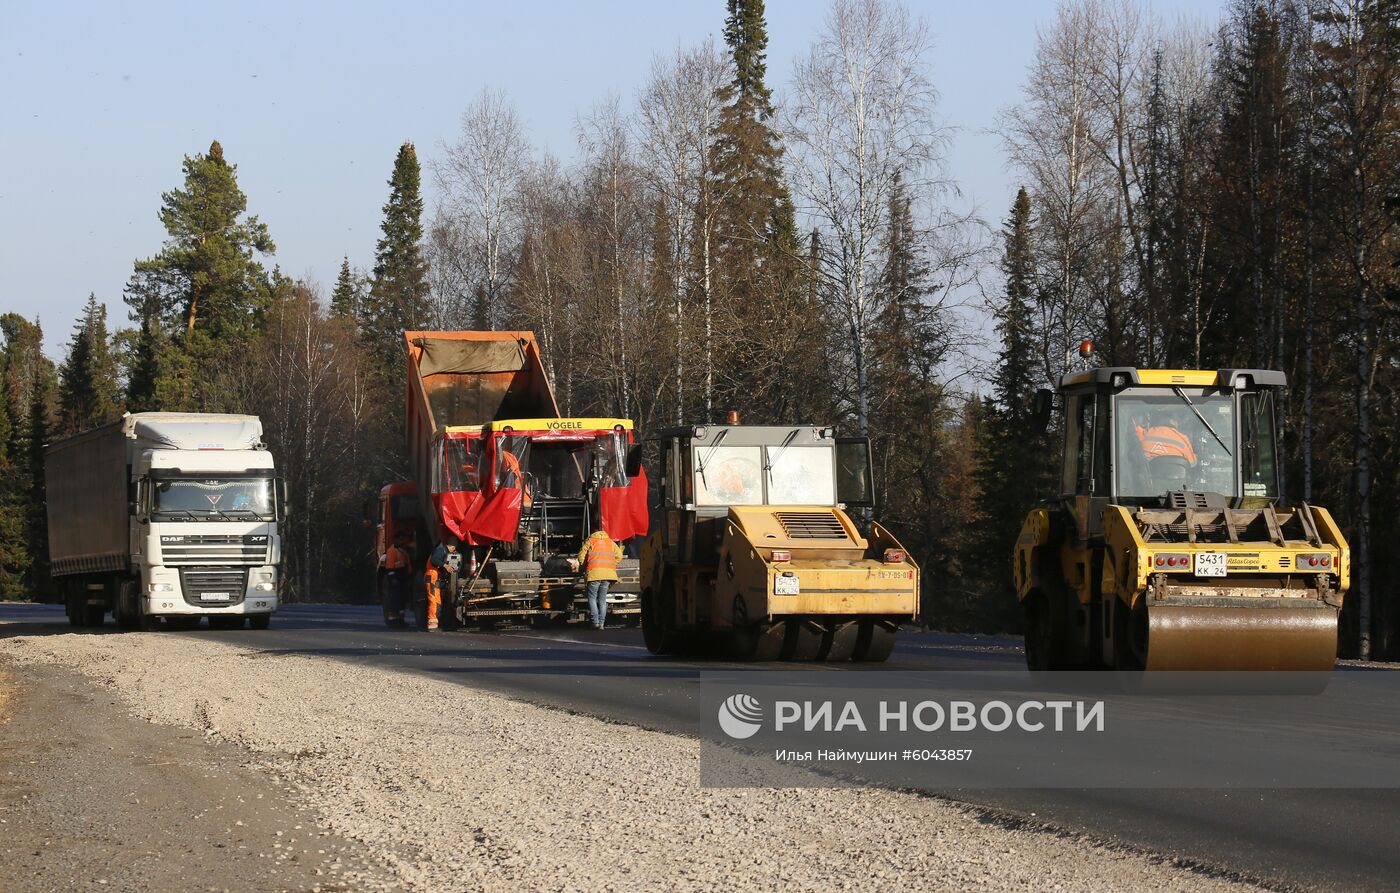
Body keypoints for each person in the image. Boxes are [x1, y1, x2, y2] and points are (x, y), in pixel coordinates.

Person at [1134, 409, 1197, 493]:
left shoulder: (1143, 434)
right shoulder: (1183, 439)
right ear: (1173, 420)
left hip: (1147, 489)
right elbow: (1193, 463)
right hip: (1177, 490)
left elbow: (1133, 432)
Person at [575, 528, 623, 630]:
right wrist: (612, 564)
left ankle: (595, 622)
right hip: (608, 575)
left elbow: (581, 555)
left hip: (594, 574)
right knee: (602, 599)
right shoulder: (610, 542)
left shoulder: (591, 541)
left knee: (592, 598)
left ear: (593, 533)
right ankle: (601, 624)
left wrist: (583, 565)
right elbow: (619, 555)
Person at [422, 541, 459, 632]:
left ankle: (435, 624)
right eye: (453, 548)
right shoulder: (441, 550)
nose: (453, 551)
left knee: (437, 602)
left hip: (434, 577)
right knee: (433, 601)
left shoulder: (442, 550)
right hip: (431, 577)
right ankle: (432, 625)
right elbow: (434, 560)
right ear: (451, 546)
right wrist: (445, 565)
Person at [383, 532, 413, 627]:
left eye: (403, 539)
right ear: (396, 540)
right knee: (394, 600)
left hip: (401, 578)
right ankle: (393, 621)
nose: (402, 541)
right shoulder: (392, 551)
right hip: (396, 577)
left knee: (401, 601)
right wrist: (393, 579)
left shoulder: (401, 550)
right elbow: (390, 567)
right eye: (400, 539)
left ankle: (400, 620)